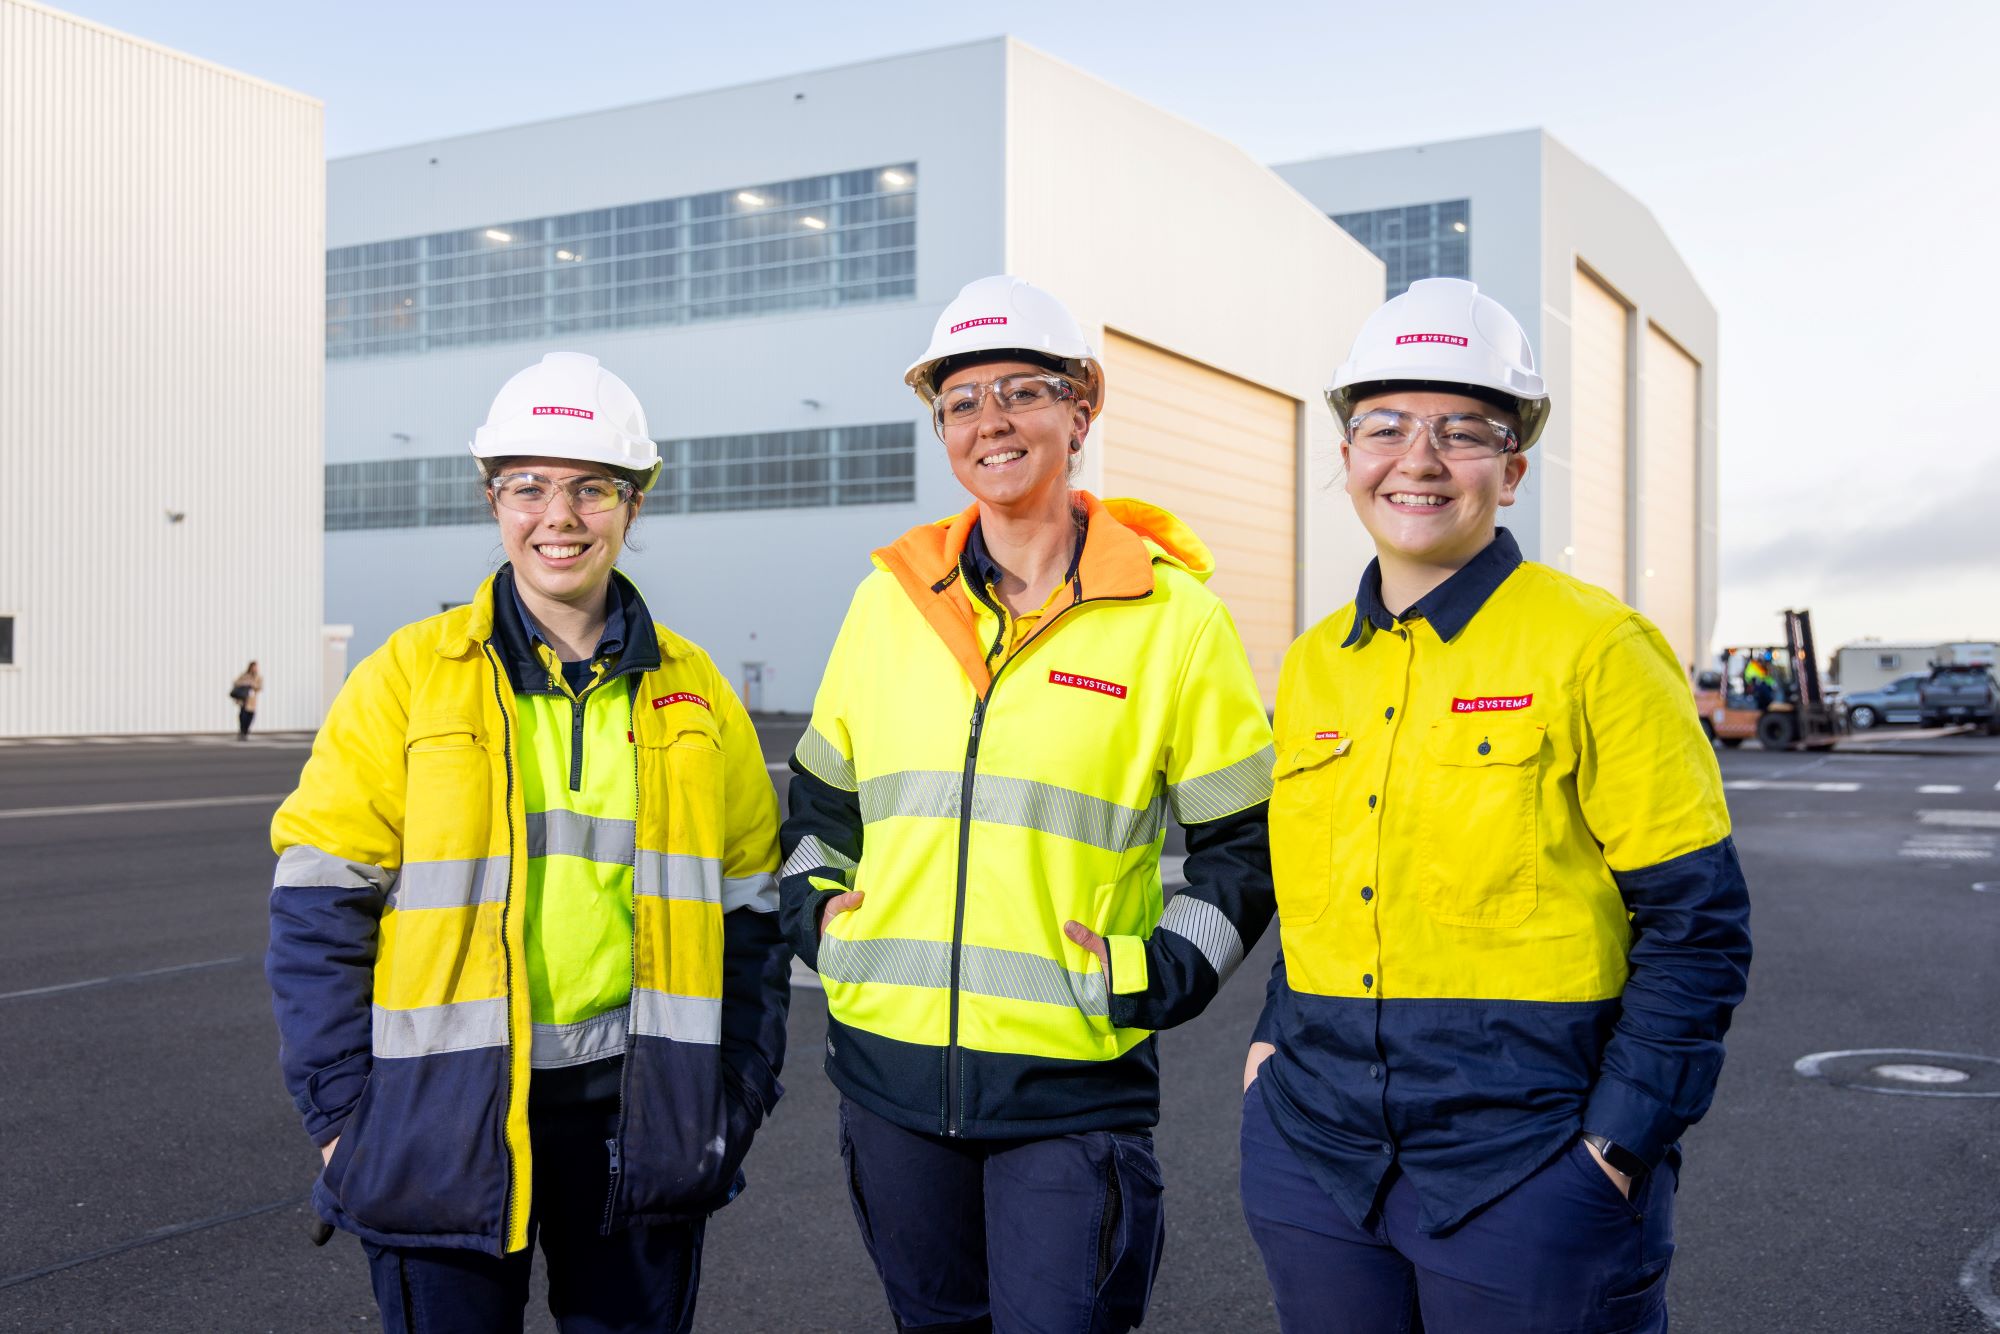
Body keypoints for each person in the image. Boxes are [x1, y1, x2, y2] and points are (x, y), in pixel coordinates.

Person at [1240, 278, 1752, 1332]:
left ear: (1511, 468)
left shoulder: (1595, 646)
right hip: (1320, 1160)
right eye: (1383, 425)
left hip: (1528, 1170)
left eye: (1461, 430)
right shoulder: (1308, 669)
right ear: (1345, 457)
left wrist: (1616, 1143)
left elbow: (1695, 923)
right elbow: (1322, 893)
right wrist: (1266, 1051)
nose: (1416, 458)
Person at [779, 275, 1277, 1333]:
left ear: (1080, 409)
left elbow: (1242, 844)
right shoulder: (888, 602)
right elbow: (820, 803)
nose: (990, 420)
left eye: (1022, 391)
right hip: (888, 1078)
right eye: (961, 401)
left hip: (1069, 1090)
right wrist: (817, 915)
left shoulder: (1173, 620)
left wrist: (1163, 966)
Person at [265, 352, 789, 1334]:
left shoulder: (695, 691)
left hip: (639, 1119)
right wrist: (343, 1120)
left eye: (591, 487)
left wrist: (734, 1099)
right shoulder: (410, 677)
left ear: (633, 504)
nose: (559, 515)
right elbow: (316, 903)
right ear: (493, 498)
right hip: (439, 1121)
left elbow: (751, 910)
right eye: (529, 486)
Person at [230, 660, 263, 740]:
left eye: (256, 667)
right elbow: (236, 682)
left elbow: (259, 687)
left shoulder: (258, 677)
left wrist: (252, 684)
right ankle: (242, 731)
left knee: (250, 716)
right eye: (253, 667)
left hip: (252, 700)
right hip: (243, 699)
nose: (254, 669)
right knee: (243, 716)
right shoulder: (244, 675)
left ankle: (246, 730)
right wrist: (245, 683)